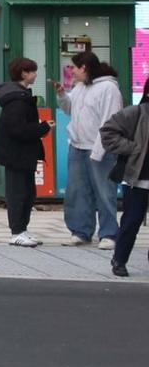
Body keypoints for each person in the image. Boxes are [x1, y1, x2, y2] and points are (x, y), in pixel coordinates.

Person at [62, 51, 123, 249]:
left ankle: (109, 233)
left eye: (75, 67)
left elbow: (109, 121)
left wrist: (99, 151)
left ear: (84, 68)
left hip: (99, 149)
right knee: (77, 191)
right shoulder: (80, 87)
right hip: (77, 146)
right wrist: (62, 95)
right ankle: (80, 231)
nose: (72, 71)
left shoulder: (108, 88)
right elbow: (70, 109)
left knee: (104, 191)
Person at [0, 57, 52, 247]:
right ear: (24, 74)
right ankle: (16, 231)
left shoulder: (20, 96)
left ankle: (23, 229)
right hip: (16, 154)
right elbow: (18, 129)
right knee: (18, 193)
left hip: (22, 153)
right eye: (33, 71)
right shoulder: (17, 100)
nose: (36, 74)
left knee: (27, 192)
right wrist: (42, 128)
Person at [97, 78, 149, 277]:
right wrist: (133, 148)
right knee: (131, 222)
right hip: (138, 178)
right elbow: (108, 132)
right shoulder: (135, 113)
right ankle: (119, 259)